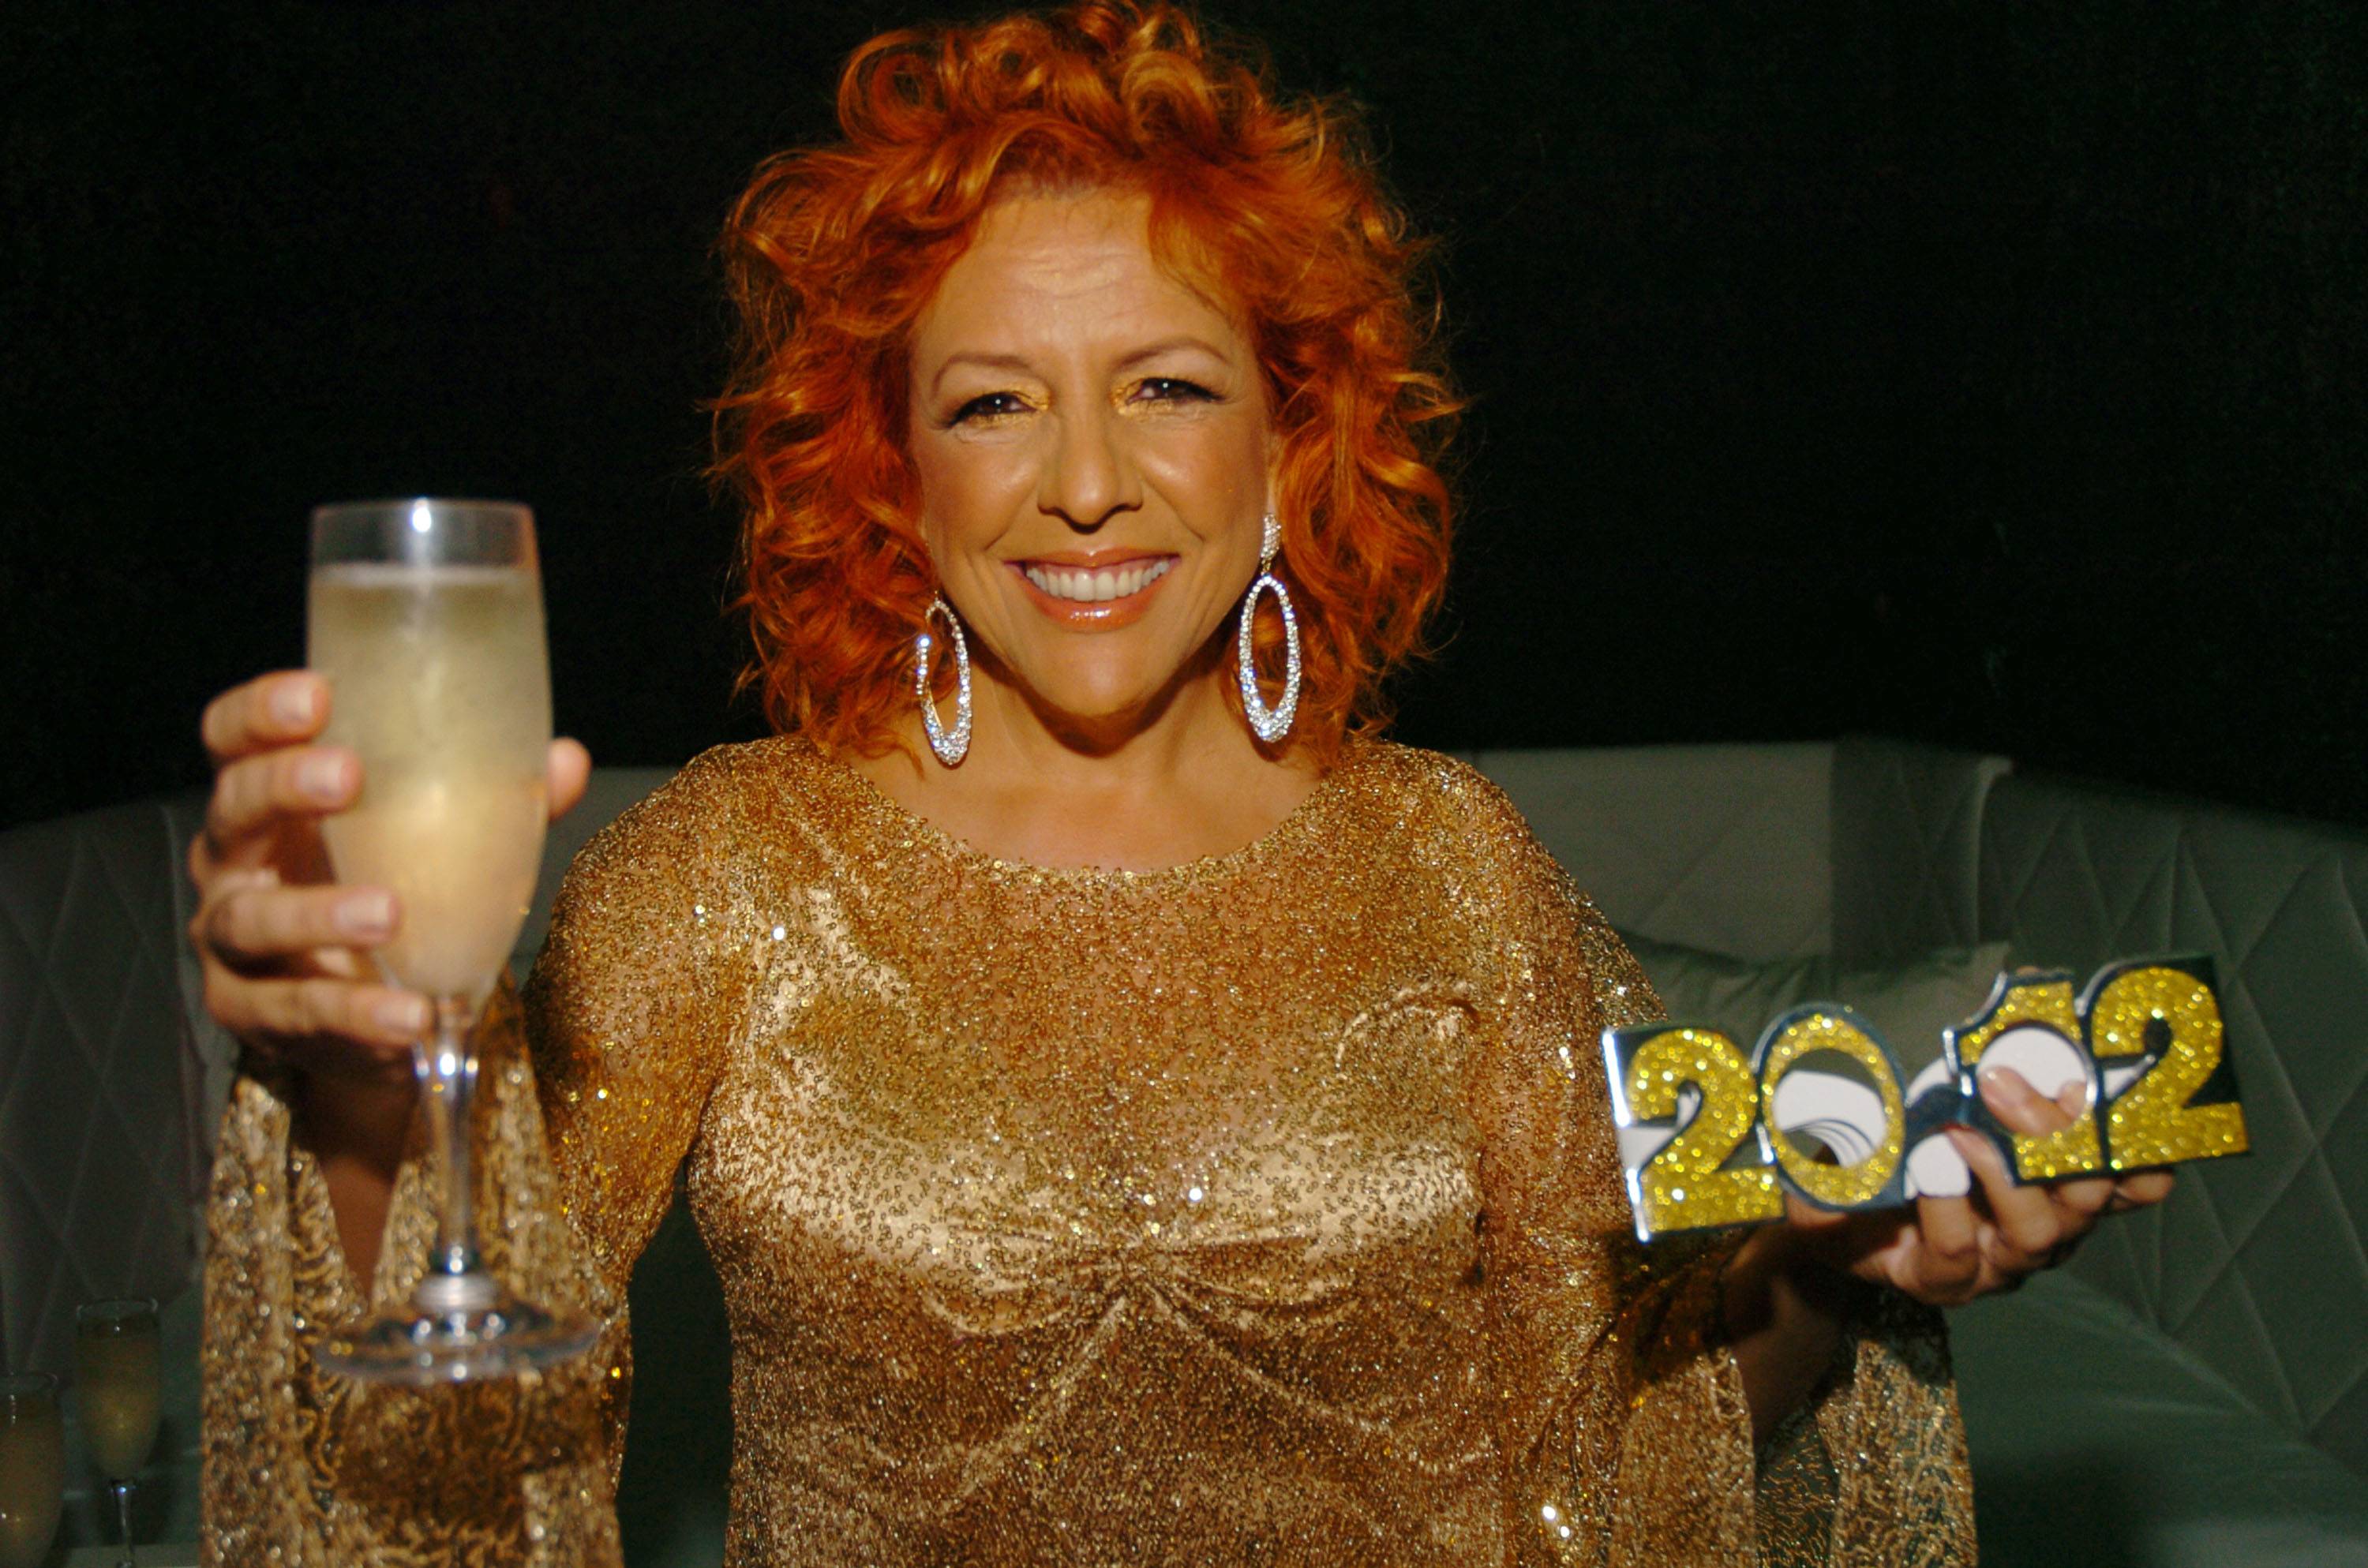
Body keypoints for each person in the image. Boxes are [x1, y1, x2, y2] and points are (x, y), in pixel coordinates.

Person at [186, 4, 2169, 1562]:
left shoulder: (1450, 859)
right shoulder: (726, 865)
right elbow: (451, 1403)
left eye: (1168, 385)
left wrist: (1826, 1258)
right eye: (993, 402)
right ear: (894, 470)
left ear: (1291, 444)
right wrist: (350, 1086)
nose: (1084, 481)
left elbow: (1626, 1441)